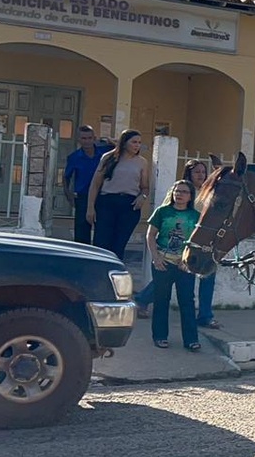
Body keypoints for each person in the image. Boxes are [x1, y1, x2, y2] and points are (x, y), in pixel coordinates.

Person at [136, 160, 218, 326]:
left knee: (208, 275)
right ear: (188, 173)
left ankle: (205, 315)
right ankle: (143, 299)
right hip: (181, 244)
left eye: (203, 172)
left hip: (205, 240)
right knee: (168, 276)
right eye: (197, 172)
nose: (201, 175)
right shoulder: (184, 191)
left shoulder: (210, 192)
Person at [146, 180, 200, 350]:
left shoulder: (195, 216)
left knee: (187, 302)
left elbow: (197, 242)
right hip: (163, 262)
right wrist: (156, 258)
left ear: (190, 196)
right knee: (161, 300)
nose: (179, 194)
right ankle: (160, 336)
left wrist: (188, 262)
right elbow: (150, 235)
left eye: (184, 192)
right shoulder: (162, 212)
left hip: (184, 265)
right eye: (177, 191)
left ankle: (191, 340)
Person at [87, 129, 151, 261]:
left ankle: (115, 276)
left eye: (139, 142)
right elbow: (95, 184)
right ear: (124, 143)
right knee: (101, 243)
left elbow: (145, 187)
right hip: (107, 203)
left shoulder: (142, 162)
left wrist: (142, 197)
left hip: (129, 205)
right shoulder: (108, 158)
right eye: (133, 142)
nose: (137, 145)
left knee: (119, 245)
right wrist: (90, 207)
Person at [63, 125, 111, 244]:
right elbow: (66, 177)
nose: (87, 141)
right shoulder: (74, 157)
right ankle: (81, 258)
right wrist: (69, 195)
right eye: (84, 138)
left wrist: (108, 140)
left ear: (94, 138)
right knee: (81, 232)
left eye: (89, 138)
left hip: (102, 196)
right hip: (83, 197)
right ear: (79, 140)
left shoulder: (104, 152)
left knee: (102, 229)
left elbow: (122, 146)